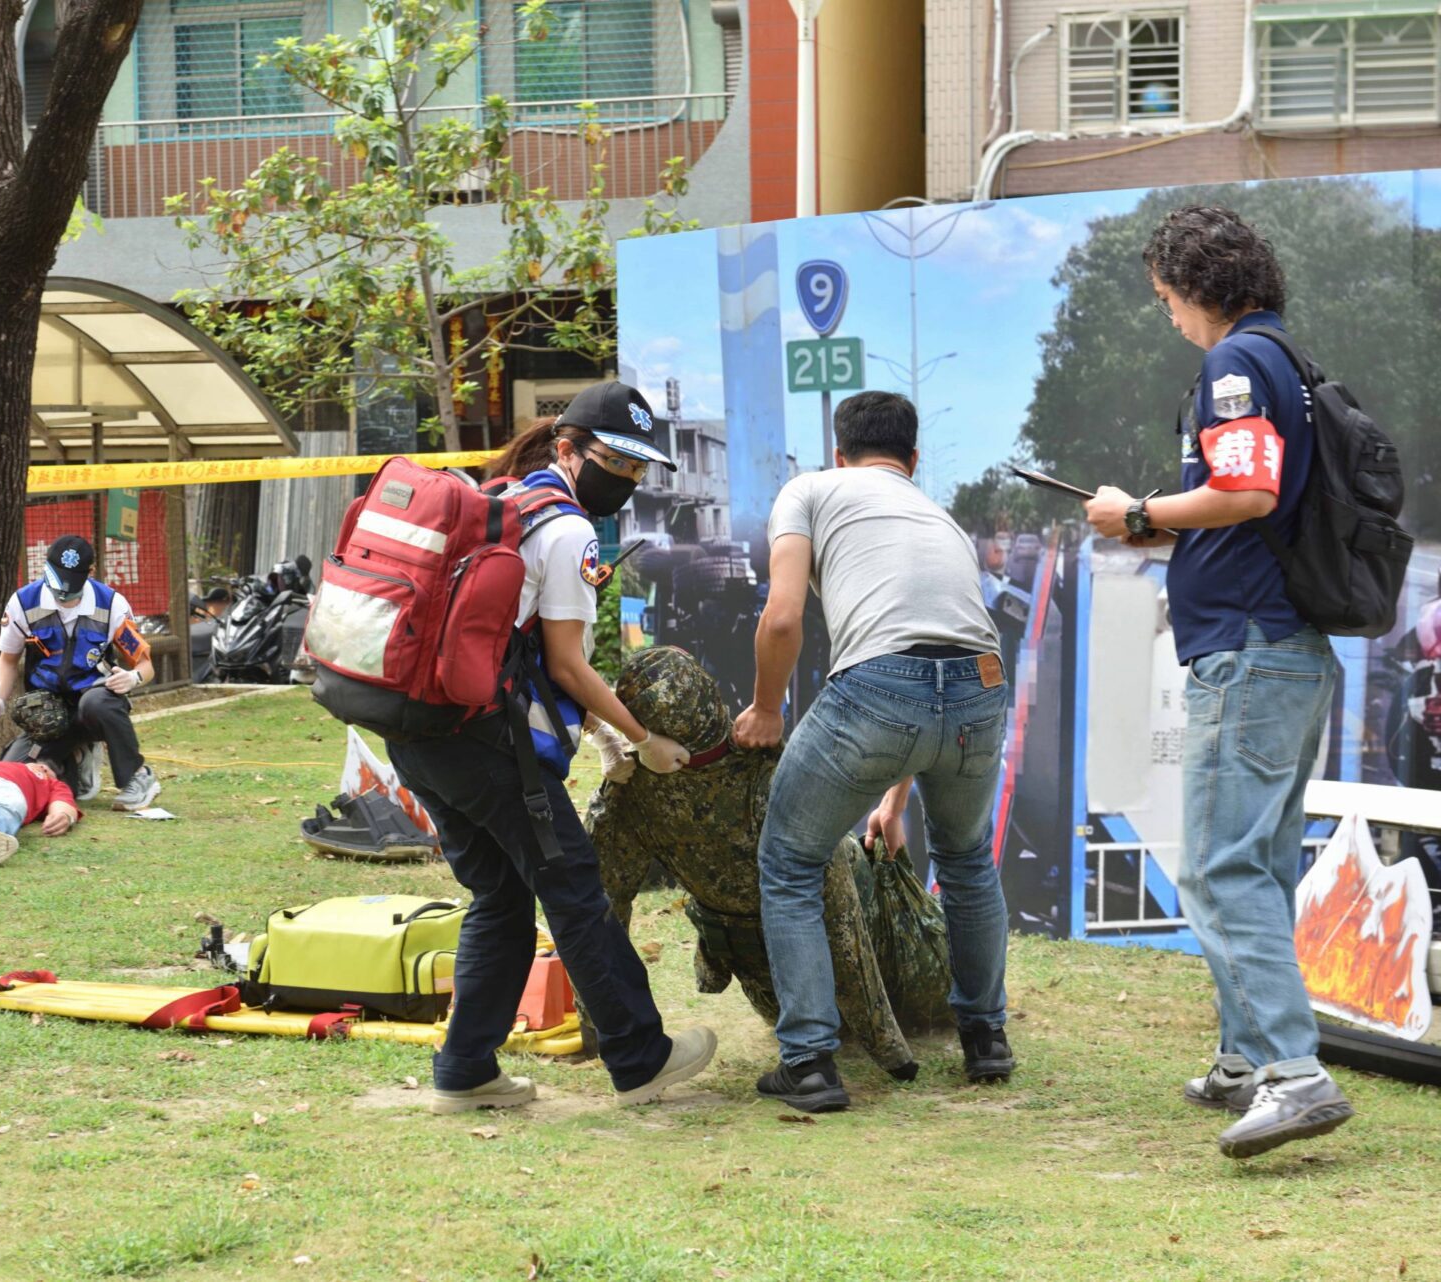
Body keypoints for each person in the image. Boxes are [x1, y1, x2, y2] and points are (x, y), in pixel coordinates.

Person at [1085, 205, 1352, 1159]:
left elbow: (1248, 494)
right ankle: (1246, 1062)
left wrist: (1138, 512)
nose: (1168, 316)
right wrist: (1155, 526)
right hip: (1292, 649)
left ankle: (1294, 1074)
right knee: (1262, 864)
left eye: (1165, 298)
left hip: (1245, 652)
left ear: (1200, 286)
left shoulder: (1233, 365)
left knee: (1219, 865)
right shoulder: (1295, 366)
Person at [383, 383, 716, 1114]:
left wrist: (593, 733)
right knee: (571, 889)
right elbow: (568, 663)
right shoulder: (567, 531)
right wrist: (641, 738)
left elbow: (519, 646)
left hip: (419, 732)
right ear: (566, 449)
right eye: (615, 463)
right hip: (485, 745)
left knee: (501, 894)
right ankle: (640, 1056)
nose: (626, 481)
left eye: (638, 469)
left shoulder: (503, 499)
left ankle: (466, 1070)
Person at [734, 390, 1013, 1114]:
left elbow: (785, 615)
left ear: (839, 452)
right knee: (968, 859)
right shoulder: (939, 518)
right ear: (913, 462)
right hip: (981, 684)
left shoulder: (810, 490)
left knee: (790, 861)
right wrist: (896, 801)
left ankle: (810, 1063)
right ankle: (985, 1039)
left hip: (880, 686)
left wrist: (767, 709)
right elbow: (941, 666)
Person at [584, 646, 953, 1079]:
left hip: (772, 984)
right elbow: (840, 918)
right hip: (855, 960)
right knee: (858, 877)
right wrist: (891, 1050)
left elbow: (597, 909)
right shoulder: (767, 771)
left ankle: (819, 1054)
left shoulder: (629, 796)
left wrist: (601, 1026)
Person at [0, 534, 161, 812]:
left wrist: (133, 678)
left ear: (90, 573)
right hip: (50, 713)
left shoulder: (112, 605)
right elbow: (8, 659)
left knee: (96, 703)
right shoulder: (23, 603)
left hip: (94, 701)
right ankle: (75, 760)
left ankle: (137, 776)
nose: (63, 593)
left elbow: (146, 665)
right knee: (18, 777)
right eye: (57, 583)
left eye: (71, 585)